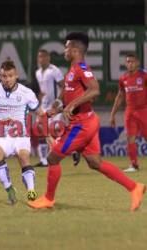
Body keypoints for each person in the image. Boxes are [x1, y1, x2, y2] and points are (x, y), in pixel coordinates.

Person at [28, 32, 145, 212]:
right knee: (94, 162)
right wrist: (56, 108)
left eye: (67, 47)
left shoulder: (81, 67)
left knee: (53, 157)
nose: (65, 50)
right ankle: (134, 187)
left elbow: (95, 90)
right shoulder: (72, 70)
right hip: (87, 120)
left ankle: (48, 199)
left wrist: (72, 104)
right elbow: (69, 96)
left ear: (75, 50)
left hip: (81, 124)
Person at [0, 60, 47, 205]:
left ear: (16, 75)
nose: (7, 79)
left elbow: (40, 113)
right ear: (0, 76)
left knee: (23, 157)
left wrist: (48, 134)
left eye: (10, 76)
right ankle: (9, 189)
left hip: (21, 135)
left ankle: (31, 190)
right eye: (3, 76)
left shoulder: (27, 93)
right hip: (1, 136)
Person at [34, 49, 80, 167]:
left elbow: (64, 87)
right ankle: (44, 160)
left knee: (57, 131)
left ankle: (74, 150)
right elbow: (43, 90)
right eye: (40, 57)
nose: (42, 59)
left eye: (44, 57)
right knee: (40, 129)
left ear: (48, 58)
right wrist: (39, 101)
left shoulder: (54, 71)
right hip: (44, 106)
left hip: (55, 106)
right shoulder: (38, 72)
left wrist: (58, 101)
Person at [110, 53, 147, 172]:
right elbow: (120, 96)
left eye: (132, 61)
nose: (130, 64)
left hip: (144, 110)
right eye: (128, 62)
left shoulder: (144, 76)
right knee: (130, 137)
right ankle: (134, 165)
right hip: (130, 111)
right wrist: (112, 114)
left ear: (138, 63)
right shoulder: (123, 78)